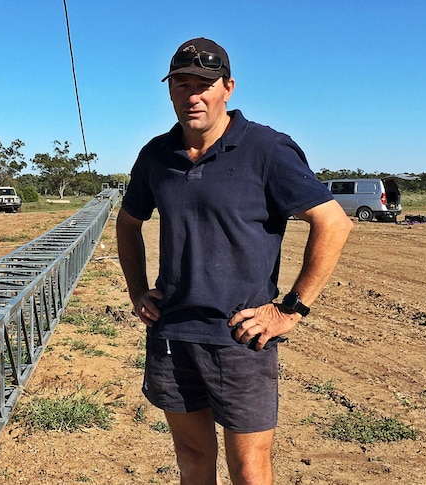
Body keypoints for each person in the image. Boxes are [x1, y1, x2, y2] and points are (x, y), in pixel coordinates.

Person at [116, 37, 353, 484]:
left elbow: (334, 223)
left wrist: (291, 309)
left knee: (249, 468)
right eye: (182, 84)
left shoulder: (267, 150)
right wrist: (136, 291)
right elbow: (128, 224)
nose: (193, 95)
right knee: (191, 456)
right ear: (170, 91)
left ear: (228, 87)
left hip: (240, 337)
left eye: (205, 84)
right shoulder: (155, 156)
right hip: (173, 333)